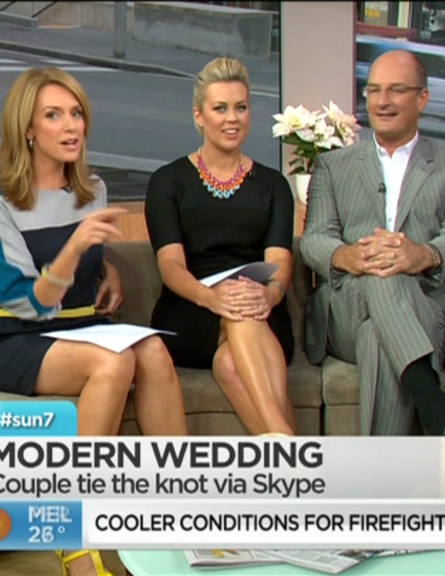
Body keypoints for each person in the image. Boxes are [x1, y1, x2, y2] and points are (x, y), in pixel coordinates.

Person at [0, 67, 189, 576]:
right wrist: (74, 248)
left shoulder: (92, 188)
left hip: (78, 327)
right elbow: (25, 301)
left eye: (76, 114)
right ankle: (73, 538)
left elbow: (89, 261)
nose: (71, 126)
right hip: (13, 334)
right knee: (113, 364)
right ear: (28, 128)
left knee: (153, 350)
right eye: (54, 115)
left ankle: (184, 515)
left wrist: (105, 268)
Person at [300, 49, 445, 437]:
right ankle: (437, 409)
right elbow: (314, 238)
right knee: (383, 271)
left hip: (432, 301)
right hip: (350, 305)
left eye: (396, 90)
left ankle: (391, 463)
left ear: (422, 98)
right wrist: (347, 256)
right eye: (374, 90)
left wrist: (422, 255)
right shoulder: (334, 165)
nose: (382, 101)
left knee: (377, 336)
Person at [145, 57, 297, 437]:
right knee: (237, 312)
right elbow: (170, 265)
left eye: (241, 108)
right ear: (198, 116)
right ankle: (291, 444)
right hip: (191, 308)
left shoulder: (274, 185)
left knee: (231, 358)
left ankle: (282, 445)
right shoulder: (168, 181)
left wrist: (270, 295)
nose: (232, 119)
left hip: (261, 306)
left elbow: (279, 259)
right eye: (220, 109)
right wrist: (212, 297)